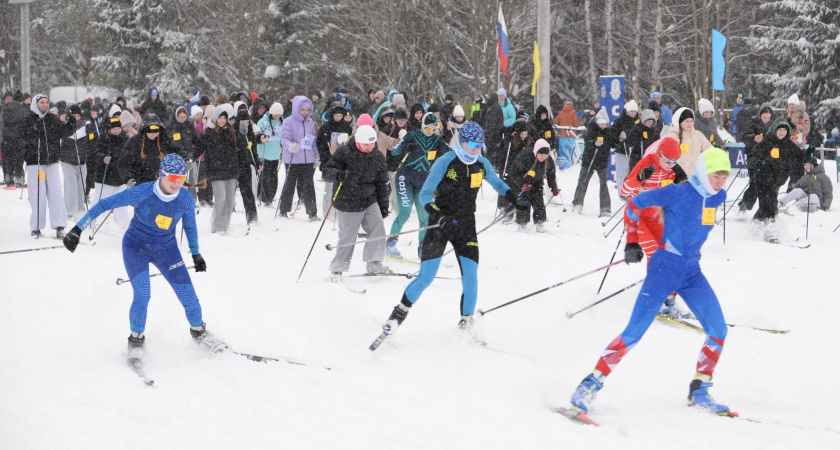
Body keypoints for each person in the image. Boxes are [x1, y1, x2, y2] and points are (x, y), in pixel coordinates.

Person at [568, 148, 734, 421]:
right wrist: (632, 241)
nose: (720, 182)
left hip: (691, 272)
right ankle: (588, 386)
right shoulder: (678, 192)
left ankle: (700, 388)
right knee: (634, 331)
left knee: (718, 330)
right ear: (704, 172)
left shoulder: (719, 196)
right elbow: (634, 203)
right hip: (664, 269)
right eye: (716, 175)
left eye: (724, 177)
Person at [377, 121, 528, 338]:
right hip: (440, 224)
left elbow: (497, 183)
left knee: (471, 278)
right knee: (426, 278)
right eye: (474, 145)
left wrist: (515, 197)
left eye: (480, 145)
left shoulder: (481, 163)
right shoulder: (446, 160)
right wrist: (438, 215)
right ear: (463, 142)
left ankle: (466, 323)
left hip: (466, 225)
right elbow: (425, 194)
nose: (478, 149)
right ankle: (396, 315)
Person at [62, 153, 214, 357]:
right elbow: (105, 204)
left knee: (189, 296)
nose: (177, 183)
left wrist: (196, 255)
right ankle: (136, 337)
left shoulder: (185, 198)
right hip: (136, 247)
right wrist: (77, 229)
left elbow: (190, 227)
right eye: (172, 178)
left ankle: (199, 332)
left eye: (181, 178)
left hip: (167, 251)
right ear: (162, 175)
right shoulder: (142, 192)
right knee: (142, 293)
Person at [322, 125, 391, 281]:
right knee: (348, 236)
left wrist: (383, 205)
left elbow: (381, 183)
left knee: (378, 228)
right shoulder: (344, 152)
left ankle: (374, 262)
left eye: (372, 143)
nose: (369, 147)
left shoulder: (378, 156)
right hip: (348, 201)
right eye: (366, 144)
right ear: (358, 141)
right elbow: (327, 171)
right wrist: (339, 175)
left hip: (369, 199)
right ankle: (337, 269)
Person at [387, 113, 451, 258]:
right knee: (404, 212)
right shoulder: (412, 135)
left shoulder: (437, 140)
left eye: (433, 128)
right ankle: (390, 243)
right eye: (427, 127)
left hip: (422, 180)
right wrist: (406, 145)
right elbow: (395, 151)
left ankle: (422, 247)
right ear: (422, 124)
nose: (429, 131)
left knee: (425, 215)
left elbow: (452, 152)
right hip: (405, 177)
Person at [25, 93, 76, 237]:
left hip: (51, 161)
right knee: (38, 196)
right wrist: (30, 148)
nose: (45, 105)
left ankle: (59, 226)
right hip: (35, 163)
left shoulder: (51, 119)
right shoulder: (29, 119)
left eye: (47, 102)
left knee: (56, 194)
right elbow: (23, 139)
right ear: (36, 104)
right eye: (42, 102)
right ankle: (36, 227)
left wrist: (71, 124)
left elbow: (63, 132)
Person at [196, 104, 245, 234]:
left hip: (231, 170)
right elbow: (199, 148)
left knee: (230, 200)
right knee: (221, 198)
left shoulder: (232, 132)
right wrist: (190, 157)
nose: (222, 120)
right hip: (216, 171)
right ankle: (217, 226)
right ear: (215, 118)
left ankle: (225, 224)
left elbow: (242, 147)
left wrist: (243, 133)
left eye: (224, 118)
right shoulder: (208, 133)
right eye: (220, 118)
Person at [748, 116, 798, 233]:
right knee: (769, 205)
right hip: (763, 180)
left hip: (777, 181)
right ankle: (770, 231)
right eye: (779, 129)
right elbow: (751, 157)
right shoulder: (767, 142)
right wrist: (759, 163)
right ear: (775, 129)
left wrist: (808, 154)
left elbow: (798, 156)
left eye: (784, 130)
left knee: (768, 205)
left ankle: (754, 227)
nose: (782, 132)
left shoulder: (788, 144)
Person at [279, 95, 320, 220]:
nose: (305, 112)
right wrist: (290, 145)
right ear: (296, 109)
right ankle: (284, 209)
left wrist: (316, 155)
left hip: (307, 159)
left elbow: (313, 141)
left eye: (307, 110)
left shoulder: (310, 123)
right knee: (290, 184)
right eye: (302, 110)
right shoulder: (288, 121)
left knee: (308, 185)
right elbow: (283, 139)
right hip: (293, 158)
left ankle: (312, 212)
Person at [506, 138, 559, 232]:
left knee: (539, 202)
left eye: (545, 155)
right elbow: (513, 172)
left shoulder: (548, 160)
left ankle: (539, 223)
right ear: (536, 151)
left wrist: (553, 187)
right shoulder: (525, 155)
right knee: (524, 202)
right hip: (522, 182)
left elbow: (551, 175)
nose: (543, 157)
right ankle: (522, 224)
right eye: (541, 154)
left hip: (536, 182)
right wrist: (522, 184)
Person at [571, 109, 612, 216]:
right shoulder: (591, 128)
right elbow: (587, 141)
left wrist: (620, 140)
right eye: (601, 123)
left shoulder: (608, 132)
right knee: (583, 181)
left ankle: (605, 208)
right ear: (598, 122)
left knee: (604, 184)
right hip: (589, 160)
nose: (603, 126)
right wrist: (594, 143)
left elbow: (613, 144)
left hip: (601, 161)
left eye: (605, 124)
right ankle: (577, 204)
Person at [316, 103, 353, 217]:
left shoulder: (347, 128)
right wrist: (325, 157)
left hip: (342, 161)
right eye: (336, 115)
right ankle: (327, 212)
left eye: (340, 115)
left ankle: (339, 211)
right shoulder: (325, 127)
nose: (338, 118)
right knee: (329, 188)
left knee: (341, 188)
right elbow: (320, 143)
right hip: (329, 161)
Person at [118, 114, 175, 186]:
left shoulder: (164, 140)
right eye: (150, 132)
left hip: (161, 183)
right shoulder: (134, 142)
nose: (153, 135)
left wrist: (186, 159)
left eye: (156, 132)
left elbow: (176, 152)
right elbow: (123, 163)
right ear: (145, 130)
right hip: (140, 183)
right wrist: (128, 178)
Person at [737, 104, 774, 212]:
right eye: (764, 117)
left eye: (768, 117)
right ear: (760, 116)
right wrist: (754, 138)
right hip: (753, 155)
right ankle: (744, 206)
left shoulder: (772, 125)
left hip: (767, 157)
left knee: (766, 183)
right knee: (754, 182)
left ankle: (767, 208)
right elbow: (743, 136)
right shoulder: (752, 123)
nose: (766, 120)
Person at [59, 104, 90, 219]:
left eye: (77, 116)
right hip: (67, 160)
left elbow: (95, 136)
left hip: (81, 161)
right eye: (73, 115)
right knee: (71, 185)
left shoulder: (86, 125)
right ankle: (70, 210)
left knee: (81, 185)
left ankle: (80, 208)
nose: (75, 118)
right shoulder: (65, 126)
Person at [665, 107, 712, 177]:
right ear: (679, 121)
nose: (689, 124)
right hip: (676, 179)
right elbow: (658, 154)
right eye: (686, 121)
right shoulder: (671, 136)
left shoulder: (698, 135)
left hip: (695, 178)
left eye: (691, 121)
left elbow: (710, 151)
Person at [256, 103, 284, 206]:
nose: (277, 116)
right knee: (265, 176)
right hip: (265, 153)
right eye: (275, 113)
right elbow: (257, 134)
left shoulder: (282, 122)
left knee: (273, 176)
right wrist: (261, 138)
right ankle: (264, 196)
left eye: (279, 114)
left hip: (276, 153)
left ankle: (271, 196)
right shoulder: (263, 122)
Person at [1, 90, 29, 188]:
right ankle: (19, 179)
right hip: (18, 138)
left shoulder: (4, 108)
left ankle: (9, 178)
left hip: (7, 138)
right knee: (18, 159)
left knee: (8, 159)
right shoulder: (22, 109)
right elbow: (25, 122)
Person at [610, 100, 640, 191]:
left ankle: (632, 191)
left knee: (634, 173)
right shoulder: (620, 121)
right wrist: (619, 139)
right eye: (631, 111)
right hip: (622, 151)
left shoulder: (638, 122)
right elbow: (612, 135)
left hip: (634, 152)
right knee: (623, 172)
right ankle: (621, 192)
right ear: (627, 111)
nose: (633, 113)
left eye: (635, 111)